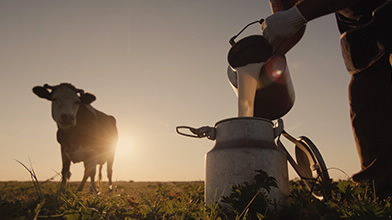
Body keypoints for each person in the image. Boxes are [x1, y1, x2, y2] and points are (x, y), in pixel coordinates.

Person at [261, 0, 392, 198]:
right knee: (365, 99)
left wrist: (297, 15)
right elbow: (289, 19)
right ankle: (380, 192)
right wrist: (274, 51)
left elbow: (296, 15)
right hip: (360, 26)